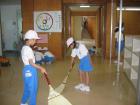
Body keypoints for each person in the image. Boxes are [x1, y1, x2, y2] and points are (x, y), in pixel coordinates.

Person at [20, 30, 47, 105]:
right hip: (30, 70)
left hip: (25, 70)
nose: (36, 41)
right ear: (30, 39)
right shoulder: (28, 49)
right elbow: (31, 63)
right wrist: (41, 68)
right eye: (34, 40)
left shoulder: (24, 47)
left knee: (27, 89)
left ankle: (23, 103)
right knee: (33, 90)